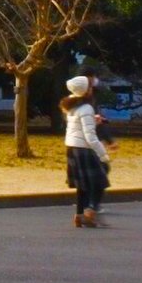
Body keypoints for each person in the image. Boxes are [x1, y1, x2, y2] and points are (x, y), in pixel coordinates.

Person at [62, 75, 110, 227]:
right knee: (100, 179)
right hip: (83, 149)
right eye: (89, 87)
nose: (92, 89)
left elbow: (78, 125)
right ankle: (91, 212)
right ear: (85, 90)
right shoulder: (86, 107)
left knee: (82, 185)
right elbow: (90, 136)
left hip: (71, 147)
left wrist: (93, 119)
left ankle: (79, 214)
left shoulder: (71, 104)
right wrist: (103, 154)